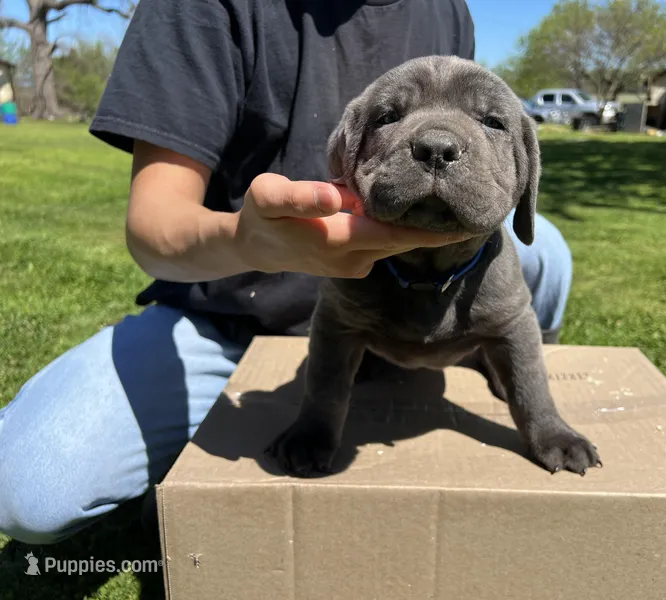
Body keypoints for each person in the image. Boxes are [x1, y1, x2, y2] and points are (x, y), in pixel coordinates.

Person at [0, 0, 573, 545]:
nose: (438, 141)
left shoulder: (444, 8)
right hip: (230, 312)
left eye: (489, 122)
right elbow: (153, 229)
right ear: (348, 147)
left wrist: (541, 420)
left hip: (448, 276)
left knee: (546, 251)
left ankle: (493, 368)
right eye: (391, 116)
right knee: (31, 489)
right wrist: (248, 242)